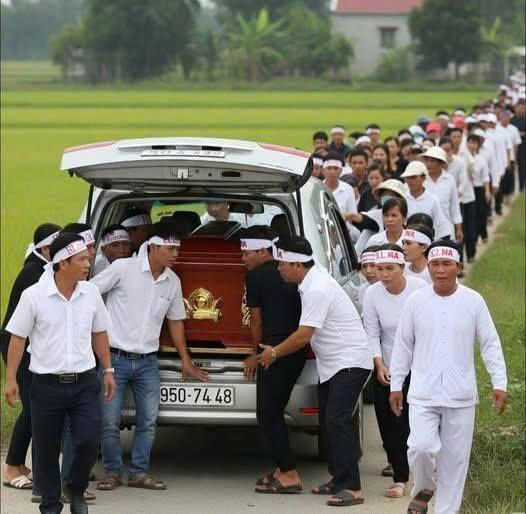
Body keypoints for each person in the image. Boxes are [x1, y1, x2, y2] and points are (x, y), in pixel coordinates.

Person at [389, 240, 507, 514]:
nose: (440, 270)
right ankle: (424, 488)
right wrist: (396, 385)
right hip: (423, 393)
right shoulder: (416, 301)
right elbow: (403, 346)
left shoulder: (473, 301)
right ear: (428, 267)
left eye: (446, 264)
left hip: (460, 395)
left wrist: (499, 382)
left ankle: (447, 510)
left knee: (455, 462)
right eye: (434, 264)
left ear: (459, 267)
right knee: (420, 447)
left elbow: (490, 343)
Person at [91, 222, 208, 492]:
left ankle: (138, 472)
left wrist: (186, 360)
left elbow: (175, 321)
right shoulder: (123, 269)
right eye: (170, 248)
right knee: (109, 422)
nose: (175, 254)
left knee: (148, 421)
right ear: (153, 246)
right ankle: (112, 472)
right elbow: (89, 292)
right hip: (115, 360)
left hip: (147, 363)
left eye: (177, 249)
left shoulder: (172, 281)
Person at [5, 233, 116, 514]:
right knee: (46, 451)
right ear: (62, 263)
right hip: (46, 385)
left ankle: (75, 488)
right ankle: (51, 506)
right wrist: (11, 379)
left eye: (88, 259)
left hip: (84, 383)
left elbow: (99, 332)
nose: (88, 264)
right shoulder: (34, 296)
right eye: (81, 259)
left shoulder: (90, 293)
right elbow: (17, 338)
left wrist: (108, 369)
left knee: (89, 439)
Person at [257, 236, 372, 507]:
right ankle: (339, 478)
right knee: (328, 422)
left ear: (298, 265)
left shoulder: (317, 289)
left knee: (337, 421)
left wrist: (273, 353)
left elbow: (303, 336)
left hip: (349, 362)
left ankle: (352, 487)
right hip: (333, 364)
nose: (278, 269)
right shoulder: (311, 274)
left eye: (282, 264)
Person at [239, 227, 304, 494]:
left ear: (264, 252)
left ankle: (289, 473)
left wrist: (256, 353)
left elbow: (256, 320)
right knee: (273, 411)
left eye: (247, 253)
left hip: (273, 350)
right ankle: (281, 467)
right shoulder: (290, 270)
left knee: (267, 414)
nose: (244, 258)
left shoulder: (255, 276)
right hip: (296, 348)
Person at [362, 244, 427, 499]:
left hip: (419, 368)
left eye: (390, 268)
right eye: (379, 268)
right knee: (390, 425)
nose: (384, 274)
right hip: (388, 369)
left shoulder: (419, 289)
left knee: (417, 424)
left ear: (402, 267)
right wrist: (379, 364)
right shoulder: (372, 293)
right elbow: (372, 333)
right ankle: (400, 478)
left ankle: (424, 474)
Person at [1, 223, 61, 493]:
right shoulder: (34, 273)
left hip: (29, 345)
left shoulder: (43, 268)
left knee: (35, 406)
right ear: (46, 249)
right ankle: (12, 467)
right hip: (18, 345)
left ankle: (19, 464)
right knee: (33, 407)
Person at [439, 137, 477, 262]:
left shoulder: (459, 162)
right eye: (443, 150)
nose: (446, 153)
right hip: (442, 204)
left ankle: (464, 258)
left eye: (448, 150)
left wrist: (455, 194)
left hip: (460, 200)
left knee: (462, 230)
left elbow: (463, 181)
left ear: (452, 150)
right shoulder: (436, 165)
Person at [422, 147, 463, 243]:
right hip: (425, 231)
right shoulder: (421, 180)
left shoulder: (450, 180)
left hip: (446, 230)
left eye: (432, 161)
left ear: (440, 163)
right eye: (427, 160)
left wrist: (458, 228)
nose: (428, 164)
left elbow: (454, 206)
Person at [401, 160, 451, 240]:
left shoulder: (432, 200)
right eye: (408, 177)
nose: (410, 181)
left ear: (423, 178)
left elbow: (441, 225)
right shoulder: (402, 199)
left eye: (414, 177)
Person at [322, 153, 358, 238]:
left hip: (344, 232)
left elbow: (353, 215)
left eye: (336, 168)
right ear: (323, 171)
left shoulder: (348, 189)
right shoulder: (317, 187)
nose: (332, 171)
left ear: (341, 171)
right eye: (329, 168)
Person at [466, 131, 491, 244]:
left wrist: (487, 190)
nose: (472, 145)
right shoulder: (463, 158)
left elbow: (485, 177)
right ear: (467, 143)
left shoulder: (481, 159)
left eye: (475, 143)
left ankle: (483, 234)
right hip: (468, 189)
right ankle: (473, 237)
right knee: (471, 214)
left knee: (481, 213)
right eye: (470, 142)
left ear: (478, 145)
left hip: (478, 189)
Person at [357, 245, 380, 310]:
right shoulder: (363, 289)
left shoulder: (395, 287)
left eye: (373, 265)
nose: (368, 271)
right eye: (364, 266)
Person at [510, 98, 525, 192]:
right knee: (512, 166)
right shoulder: (511, 120)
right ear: (515, 109)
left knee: (523, 167)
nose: (521, 110)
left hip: (524, 146)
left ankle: (522, 187)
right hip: (513, 146)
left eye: (523, 108)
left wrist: (519, 134)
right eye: (519, 108)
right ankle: (511, 187)